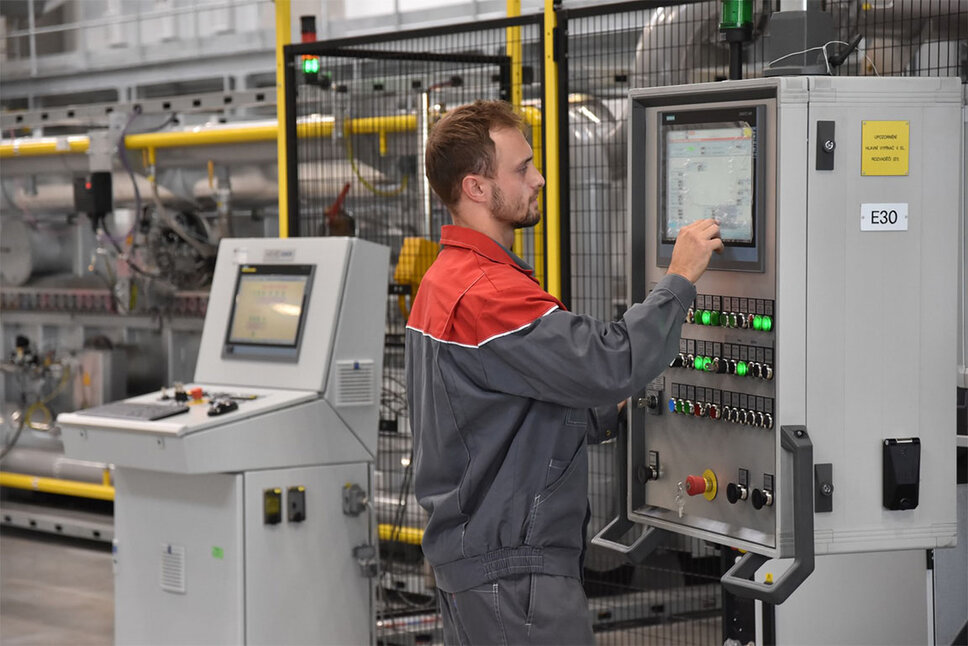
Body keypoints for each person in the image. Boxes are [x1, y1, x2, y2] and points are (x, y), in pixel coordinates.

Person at [405, 100, 722, 645]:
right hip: (513, 572)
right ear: (477, 188)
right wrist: (678, 280)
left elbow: (497, 411)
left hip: (478, 563)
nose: (540, 179)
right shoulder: (490, 293)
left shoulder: (444, 280)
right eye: (522, 168)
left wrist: (608, 410)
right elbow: (612, 360)